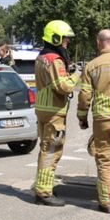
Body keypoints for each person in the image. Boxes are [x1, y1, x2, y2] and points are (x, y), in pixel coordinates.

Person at [31, 20, 78, 206]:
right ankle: (44, 193)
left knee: (45, 149)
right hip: (54, 112)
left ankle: (43, 187)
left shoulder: (41, 57)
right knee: (51, 151)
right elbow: (63, 87)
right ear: (56, 38)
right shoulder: (55, 60)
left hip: (43, 109)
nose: (67, 41)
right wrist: (76, 75)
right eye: (65, 38)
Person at [77, 29, 110, 213]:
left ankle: (106, 201)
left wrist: (82, 118)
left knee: (104, 158)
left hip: (102, 118)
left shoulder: (91, 66)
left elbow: (85, 95)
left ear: (98, 43)